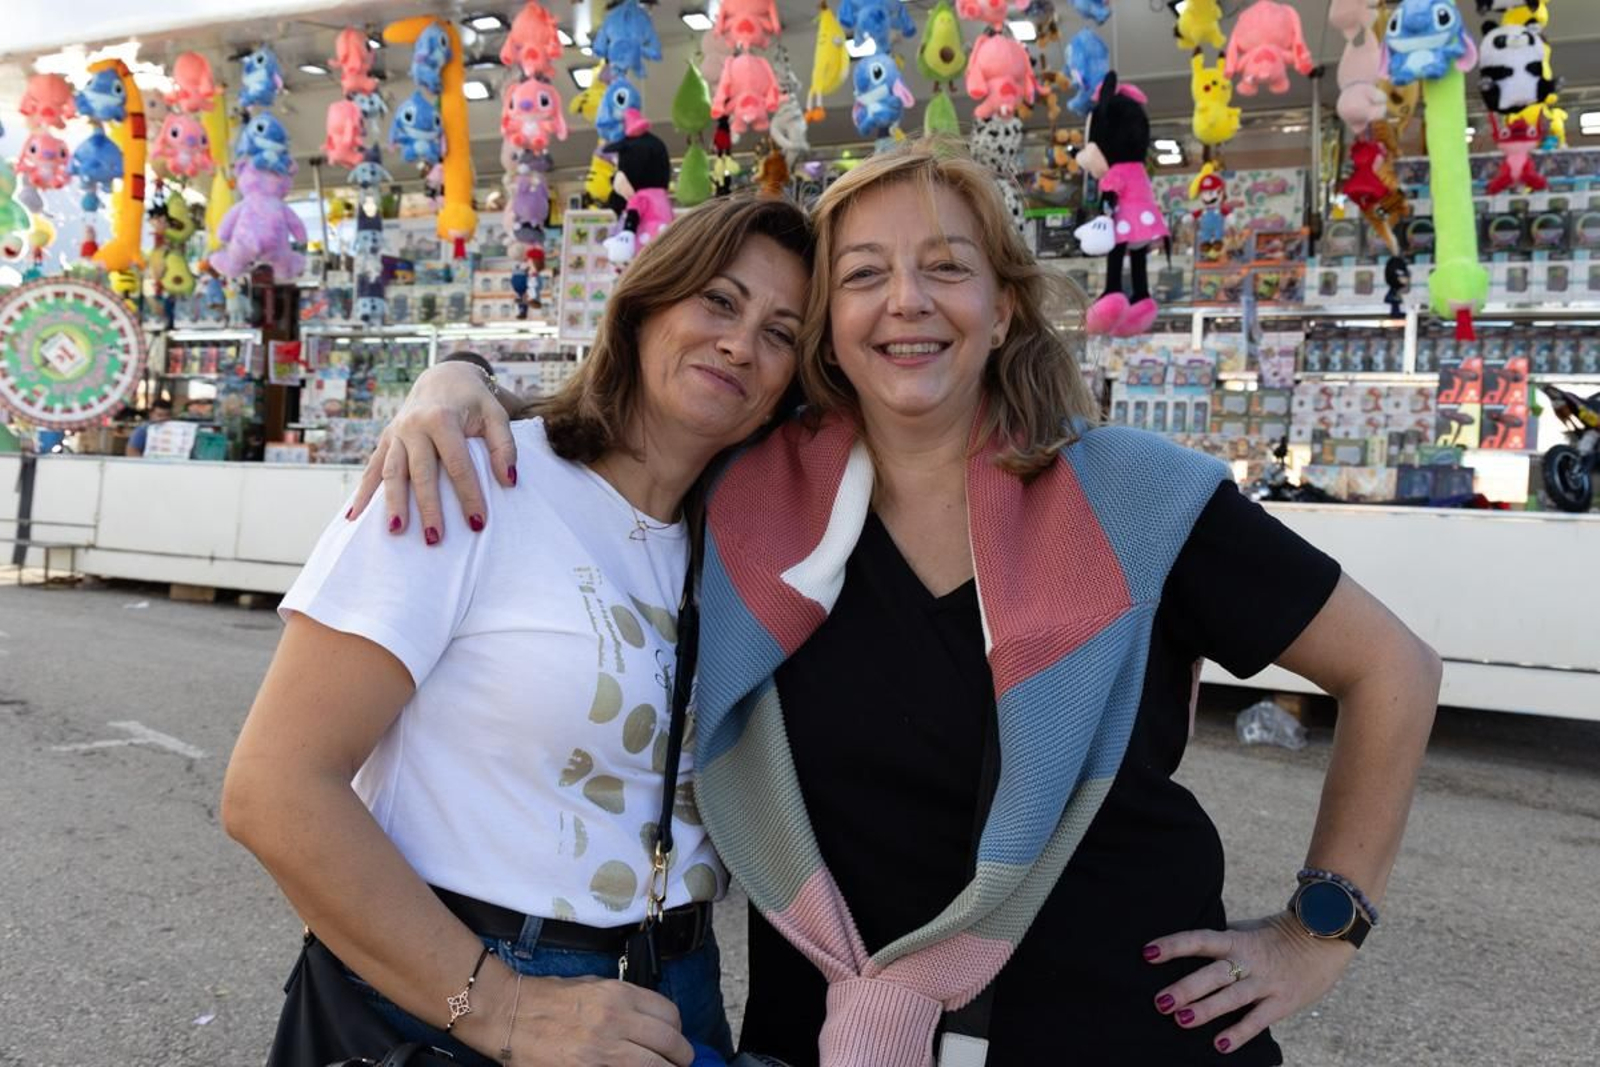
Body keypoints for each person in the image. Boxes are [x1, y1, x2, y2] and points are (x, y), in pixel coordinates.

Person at [353, 143, 1440, 1066]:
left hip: (1117, 1024)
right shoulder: (748, 501)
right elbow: (615, 428)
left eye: (945, 268)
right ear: (828, 326)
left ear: (1003, 304)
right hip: (827, 1026)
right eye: (864, 274)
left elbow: (1392, 668)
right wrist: (454, 375)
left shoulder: (1135, 494)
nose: (906, 301)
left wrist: (1319, 930)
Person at [222, 193, 813, 1067]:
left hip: (673, 992)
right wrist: (501, 1008)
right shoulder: (473, 474)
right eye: (719, 301)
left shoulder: (742, 547)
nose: (741, 343)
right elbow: (274, 787)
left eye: (782, 332)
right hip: (461, 989)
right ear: (647, 304)